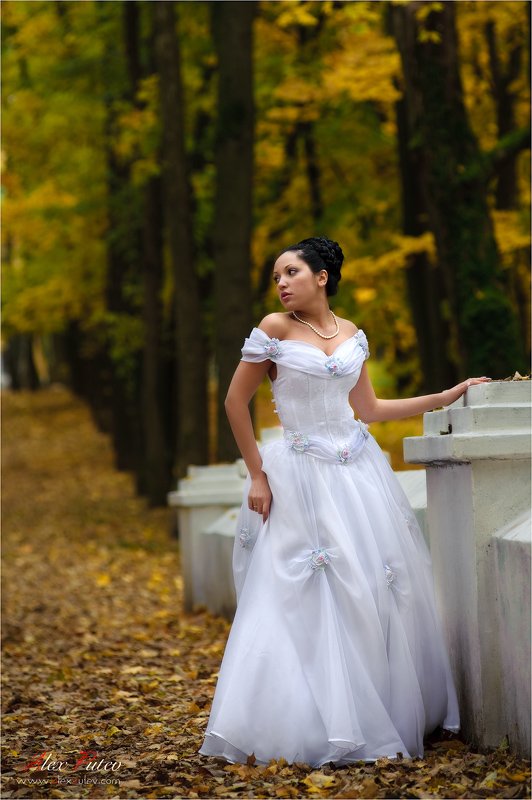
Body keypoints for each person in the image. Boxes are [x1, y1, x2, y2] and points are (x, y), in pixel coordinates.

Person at [199, 236, 492, 768]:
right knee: (305, 585)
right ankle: (305, 722)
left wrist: (445, 395)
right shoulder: (273, 329)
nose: (282, 283)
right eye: (276, 277)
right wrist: (258, 476)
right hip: (299, 473)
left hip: (357, 471)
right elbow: (234, 402)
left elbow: (371, 409)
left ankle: (373, 708)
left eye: (291, 272)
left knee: (370, 585)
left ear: (322, 276)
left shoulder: (352, 332)